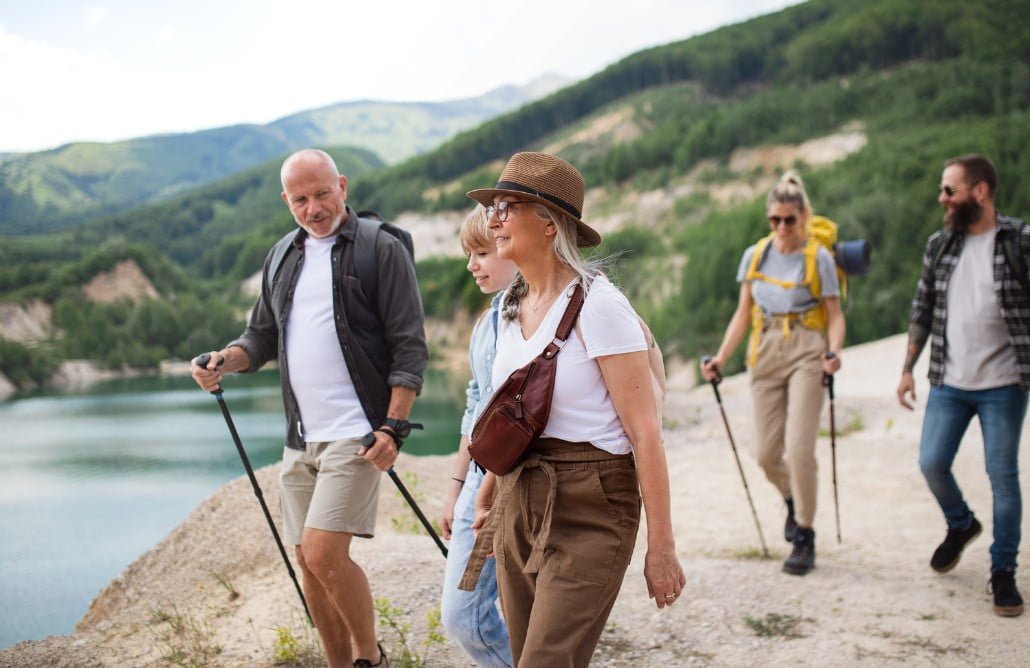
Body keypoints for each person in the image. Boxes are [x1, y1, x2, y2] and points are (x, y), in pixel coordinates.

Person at [190, 148, 427, 668]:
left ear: (341, 185)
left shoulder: (380, 248)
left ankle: (371, 658)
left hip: (358, 434)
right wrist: (222, 361)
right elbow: (260, 336)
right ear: (286, 200)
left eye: (322, 193)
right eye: (300, 199)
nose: (313, 207)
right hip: (301, 437)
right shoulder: (281, 255)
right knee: (306, 560)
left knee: (323, 553)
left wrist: (393, 425)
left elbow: (409, 347)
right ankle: (337, 662)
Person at [456, 151, 685, 667]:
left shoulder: (599, 307)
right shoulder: (511, 309)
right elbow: (511, 415)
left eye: (506, 205)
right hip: (520, 499)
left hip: (592, 504)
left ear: (547, 222)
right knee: (528, 657)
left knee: (546, 661)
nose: (492, 217)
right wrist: (491, 494)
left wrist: (661, 546)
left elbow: (646, 435)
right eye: (492, 205)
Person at [896, 154, 1030, 617]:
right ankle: (961, 524)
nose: (942, 198)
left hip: (1005, 383)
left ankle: (1003, 571)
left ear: (980, 191)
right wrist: (908, 367)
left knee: (1003, 478)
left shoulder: (1025, 242)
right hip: (949, 381)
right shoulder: (941, 245)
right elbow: (922, 309)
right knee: (932, 463)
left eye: (949, 190)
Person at [700, 170, 845, 576]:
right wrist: (721, 359)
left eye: (789, 220)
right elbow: (742, 313)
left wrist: (834, 352)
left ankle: (804, 533)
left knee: (799, 449)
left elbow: (835, 316)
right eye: (774, 220)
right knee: (764, 452)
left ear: (803, 217)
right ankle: (793, 500)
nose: (781, 227)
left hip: (807, 348)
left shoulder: (820, 259)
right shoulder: (756, 255)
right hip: (764, 351)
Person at [439, 205, 515, 666]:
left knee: (489, 610)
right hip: (481, 481)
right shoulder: (486, 323)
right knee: (462, 615)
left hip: (515, 479)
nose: (472, 265)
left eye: (482, 252)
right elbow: (475, 404)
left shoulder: (534, 318)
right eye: (469, 254)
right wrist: (456, 486)